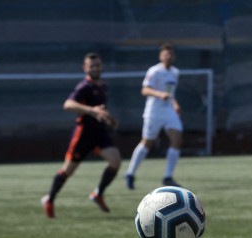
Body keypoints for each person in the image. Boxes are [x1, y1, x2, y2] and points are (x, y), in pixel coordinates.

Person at [40, 53, 121, 219]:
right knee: (68, 170)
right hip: (83, 134)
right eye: (91, 66)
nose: (95, 68)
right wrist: (91, 111)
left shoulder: (103, 87)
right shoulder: (84, 86)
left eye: (97, 65)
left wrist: (109, 120)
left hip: (100, 133)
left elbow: (100, 111)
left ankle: (98, 194)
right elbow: (68, 104)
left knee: (116, 161)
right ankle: (50, 199)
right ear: (85, 68)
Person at [124, 43, 183, 189]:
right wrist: (159, 94)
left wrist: (174, 103)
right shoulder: (154, 71)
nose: (168, 56)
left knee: (177, 140)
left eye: (171, 54)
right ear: (160, 56)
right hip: (154, 112)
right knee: (147, 143)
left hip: (169, 111)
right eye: (166, 54)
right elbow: (145, 90)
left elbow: (171, 92)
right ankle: (130, 173)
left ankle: (168, 177)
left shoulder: (175, 72)